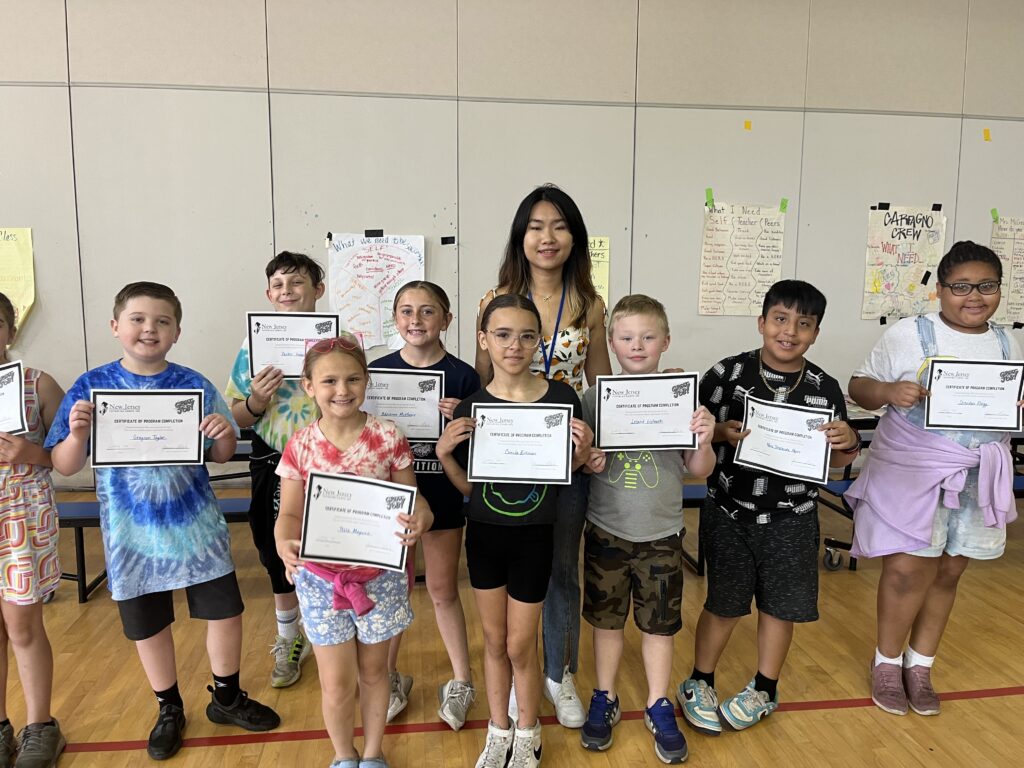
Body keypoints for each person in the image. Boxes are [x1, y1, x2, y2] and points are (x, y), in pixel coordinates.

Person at [46, 282, 279, 762]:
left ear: (176, 331)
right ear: (116, 327)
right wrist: (75, 434)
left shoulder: (193, 383)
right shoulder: (91, 387)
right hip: (132, 535)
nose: (149, 329)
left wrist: (218, 432)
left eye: (162, 321)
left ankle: (227, 696)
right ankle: (168, 705)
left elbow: (218, 453)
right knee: (148, 624)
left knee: (225, 613)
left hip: (196, 527)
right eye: (137, 319)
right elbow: (66, 465)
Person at [676, 280, 859, 735]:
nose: (789, 331)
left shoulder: (824, 387)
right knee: (724, 604)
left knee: (780, 607)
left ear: (816, 332)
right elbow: (694, 431)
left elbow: (834, 460)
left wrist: (849, 444)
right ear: (762, 322)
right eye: (780, 318)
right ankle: (700, 681)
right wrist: (721, 432)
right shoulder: (727, 374)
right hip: (729, 511)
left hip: (792, 516)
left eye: (803, 323)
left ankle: (765, 687)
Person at [845, 241, 1020, 717]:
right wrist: (887, 391)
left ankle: (920, 665)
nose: (974, 296)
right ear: (940, 291)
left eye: (986, 286)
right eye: (961, 286)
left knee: (950, 569)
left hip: (977, 473)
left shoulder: (1009, 342)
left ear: (999, 290)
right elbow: (858, 386)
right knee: (907, 569)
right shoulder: (908, 334)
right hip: (914, 470)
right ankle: (886, 661)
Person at [437, 294, 594, 768]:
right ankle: (498, 728)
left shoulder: (563, 398)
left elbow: (567, 470)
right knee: (492, 639)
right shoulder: (472, 405)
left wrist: (583, 454)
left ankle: (529, 729)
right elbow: (470, 488)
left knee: (520, 644)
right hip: (485, 535)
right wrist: (444, 454)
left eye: (527, 336)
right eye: (502, 335)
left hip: (534, 536)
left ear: (539, 342)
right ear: (484, 340)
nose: (515, 345)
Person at [476, 185, 611, 729]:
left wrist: (595, 443)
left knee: (561, 567)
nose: (547, 237)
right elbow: (483, 379)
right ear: (520, 236)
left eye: (558, 226)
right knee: (510, 573)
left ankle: (561, 674)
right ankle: (515, 677)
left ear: (573, 236)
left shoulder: (591, 305)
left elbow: (598, 381)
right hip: (508, 459)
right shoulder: (495, 300)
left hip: (566, 461)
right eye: (535, 226)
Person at [274, 333, 434, 768]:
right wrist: (283, 542)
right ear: (308, 386)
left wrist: (421, 518)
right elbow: (288, 515)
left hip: (378, 580)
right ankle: (344, 756)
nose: (341, 390)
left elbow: (414, 500)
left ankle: (372, 753)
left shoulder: (387, 437)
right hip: (320, 582)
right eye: (328, 381)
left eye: (352, 379)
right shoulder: (301, 444)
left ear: (367, 381)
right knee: (336, 682)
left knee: (375, 673)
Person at [578, 295, 715, 764]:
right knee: (606, 622)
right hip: (607, 530)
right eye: (627, 337)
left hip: (662, 533)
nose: (638, 346)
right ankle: (605, 696)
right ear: (611, 343)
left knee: (660, 625)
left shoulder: (683, 397)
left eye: (648, 337)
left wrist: (705, 438)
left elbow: (698, 469)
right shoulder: (594, 399)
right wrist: (587, 459)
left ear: (666, 341)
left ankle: (658, 703)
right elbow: (583, 465)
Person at [370, 281, 480, 729]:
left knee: (441, 590)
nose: (416, 320)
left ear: (446, 320)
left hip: (444, 492)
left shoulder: (465, 376)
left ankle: (462, 679)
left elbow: (480, 442)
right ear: (395, 319)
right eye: (406, 311)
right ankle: (390, 677)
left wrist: (462, 419)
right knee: (393, 592)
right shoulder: (374, 373)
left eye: (428, 311)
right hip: (392, 497)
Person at [225, 251, 325, 688]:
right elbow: (236, 417)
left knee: (332, 551)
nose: (287, 292)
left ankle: (333, 636)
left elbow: (362, 402)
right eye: (279, 286)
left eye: (297, 283)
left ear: (317, 291)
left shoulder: (341, 343)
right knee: (275, 552)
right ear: (268, 294)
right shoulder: (251, 348)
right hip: (274, 461)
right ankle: (289, 638)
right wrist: (256, 402)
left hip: (331, 464)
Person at [0, 293, 66, 767]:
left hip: (20, 515)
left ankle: (40, 725)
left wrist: (32, 454)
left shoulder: (37, 384)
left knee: (22, 626)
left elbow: (67, 459)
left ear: (11, 329)